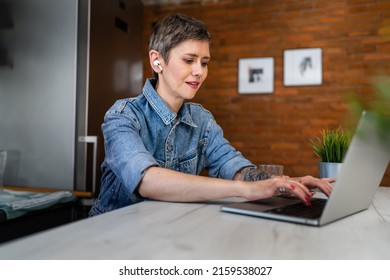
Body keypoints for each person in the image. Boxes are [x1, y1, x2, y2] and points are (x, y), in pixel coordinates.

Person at [89, 14, 333, 217]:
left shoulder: (202, 120)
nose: (199, 72)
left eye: (204, 62)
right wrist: (244, 190)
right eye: (189, 60)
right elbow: (147, 180)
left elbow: (235, 167)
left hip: (167, 231)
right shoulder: (123, 116)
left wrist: (282, 184)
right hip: (112, 238)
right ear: (157, 61)